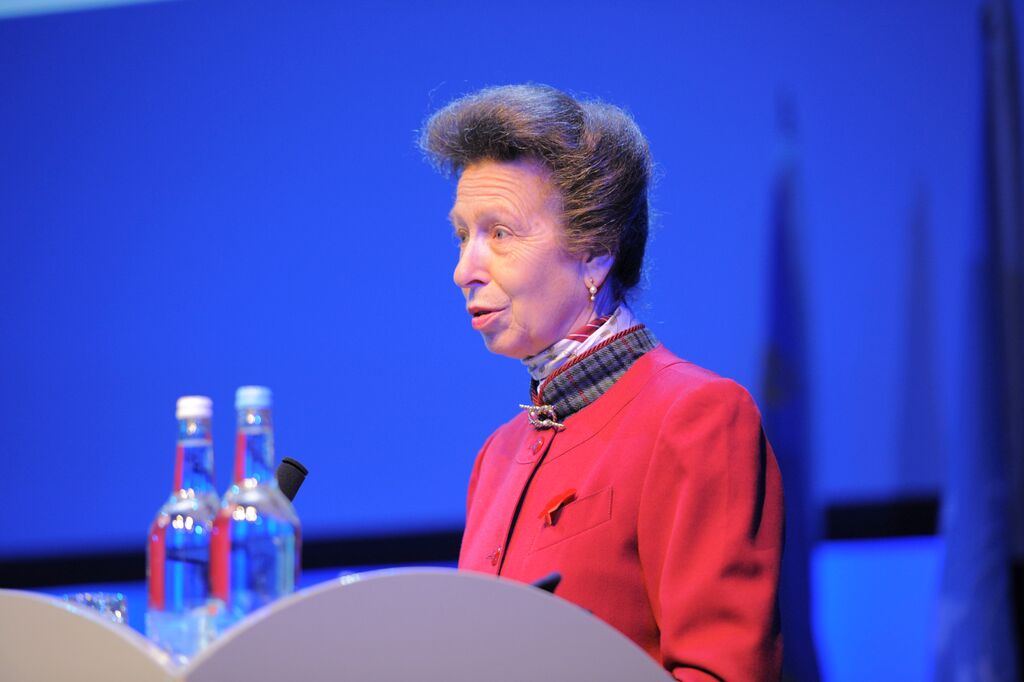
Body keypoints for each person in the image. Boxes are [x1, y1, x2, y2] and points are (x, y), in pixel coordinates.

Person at [420, 84, 783, 682]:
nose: (465, 270)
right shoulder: (497, 456)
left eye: (500, 233)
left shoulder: (697, 416)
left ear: (594, 251)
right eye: (463, 235)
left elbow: (722, 672)